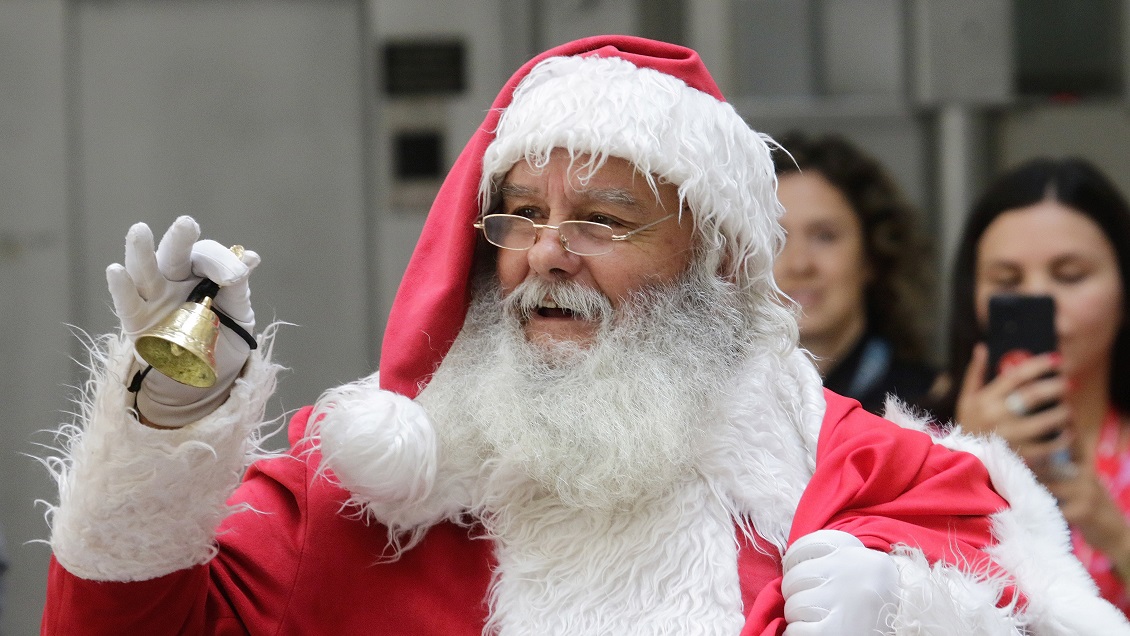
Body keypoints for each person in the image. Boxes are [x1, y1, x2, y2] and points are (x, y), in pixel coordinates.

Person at [40, 36, 1128, 635]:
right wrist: (164, 418)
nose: (545, 254)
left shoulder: (856, 473)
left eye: (604, 220)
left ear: (714, 262)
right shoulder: (374, 484)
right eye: (518, 215)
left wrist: (913, 618)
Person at [933, 156, 1130, 616]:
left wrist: (1112, 531)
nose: (1039, 299)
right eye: (1007, 281)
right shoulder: (919, 437)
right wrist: (967, 463)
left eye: (1070, 275)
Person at [772, 131, 937, 415]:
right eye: (774, 238)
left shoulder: (936, 407)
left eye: (825, 236)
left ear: (871, 256)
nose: (799, 264)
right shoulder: (714, 412)